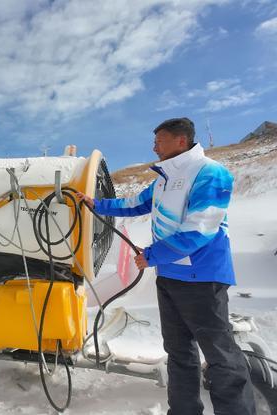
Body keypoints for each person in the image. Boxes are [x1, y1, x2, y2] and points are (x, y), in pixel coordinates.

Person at [77, 117, 255, 415]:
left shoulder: (210, 173)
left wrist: (153, 255)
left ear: (180, 140)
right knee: (179, 353)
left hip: (202, 278)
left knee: (220, 356)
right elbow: (135, 204)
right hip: (170, 277)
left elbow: (200, 228)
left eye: (159, 140)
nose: (154, 147)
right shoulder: (164, 180)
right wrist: (96, 204)